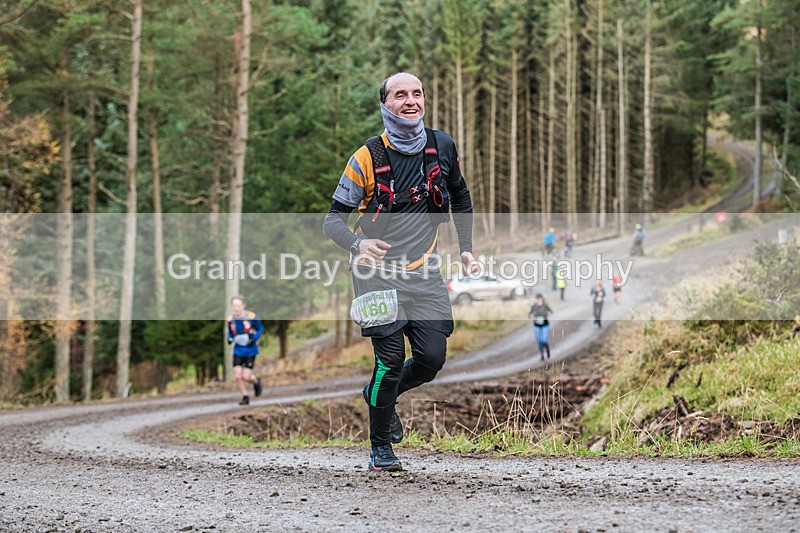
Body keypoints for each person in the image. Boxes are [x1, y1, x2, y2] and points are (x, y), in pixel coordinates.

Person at [322, 72, 476, 472]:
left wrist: (467, 248)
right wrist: (358, 244)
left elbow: (459, 194)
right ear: (385, 103)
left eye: (417, 93)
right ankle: (380, 448)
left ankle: (380, 396)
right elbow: (332, 221)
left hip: (425, 273)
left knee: (430, 359)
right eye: (400, 94)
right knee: (389, 362)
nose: (411, 101)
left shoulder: (442, 145)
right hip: (375, 275)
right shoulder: (365, 158)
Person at [226, 295, 264, 405]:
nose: (237, 308)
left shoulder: (251, 316)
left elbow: (260, 328)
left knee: (246, 376)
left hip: (250, 350)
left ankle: (256, 381)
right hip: (238, 350)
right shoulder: (231, 319)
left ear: (243, 305)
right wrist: (230, 338)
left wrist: (254, 338)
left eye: (239, 306)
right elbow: (230, 332)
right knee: (238, 375)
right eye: (234, 306)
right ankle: (245, 396)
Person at [528, 293, 553, 361]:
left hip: (545, 325)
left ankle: (547, 349)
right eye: (537, 298)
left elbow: (551, 311)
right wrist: (531, 315)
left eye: (539, 298)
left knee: (544, 340)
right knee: (539, 341)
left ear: (542, 298)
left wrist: (548, 313)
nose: (538, 300)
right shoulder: (534, 306)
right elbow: (529, 314)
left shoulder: (545, 305)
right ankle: (542, 355)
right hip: (536, 326)